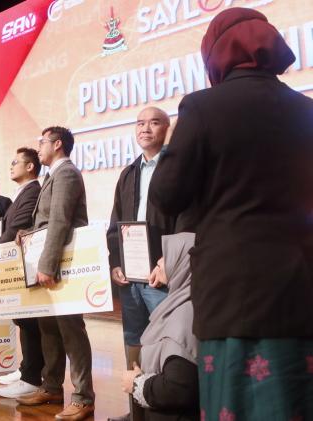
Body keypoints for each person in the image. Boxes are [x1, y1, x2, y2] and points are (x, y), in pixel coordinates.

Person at [149, 8, 313, 420]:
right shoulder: (306, 110)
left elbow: (166, 195)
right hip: (300, 290)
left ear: (215, 54)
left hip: (234, 294)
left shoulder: (202, 108)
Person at [106, 107, 183, 421]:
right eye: (140, 123)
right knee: (134, 343)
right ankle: (136, 412)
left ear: (167, 129)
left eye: (154, 122)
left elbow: (185, 220)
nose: (145, 128)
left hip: (161, 275)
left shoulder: (176, 169)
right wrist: (115, 263)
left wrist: (170, 261)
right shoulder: (128, 172)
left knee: (166, 344)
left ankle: (162, 413)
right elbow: (115, 224)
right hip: (130, 276)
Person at [16, 126, 94, 421]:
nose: (38, 147)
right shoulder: (52, 176)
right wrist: (27, 232)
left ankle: (83, 398)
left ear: (58, 144)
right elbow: (46, 221)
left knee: (71, 331)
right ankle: (51, 387)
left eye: (42, 142)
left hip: (64, 264)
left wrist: (47, 264)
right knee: (48, 327)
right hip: (50, 261)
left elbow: (60, 220)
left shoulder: (67, 173)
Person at [118, 233, 199, 421]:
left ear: (183, 265)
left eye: (167, 255)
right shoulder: (180, 304)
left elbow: (177, 388)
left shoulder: (184, 316)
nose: (159, 261)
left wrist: (137, 384)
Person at [0, 147, 44, 399]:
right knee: (22, 319)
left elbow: (18, 227)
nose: (11, 165)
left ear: (30, 167)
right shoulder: (22, 192)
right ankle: (26, 368)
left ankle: (31, 377)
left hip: (25, 263)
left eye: (16, 162)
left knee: (28, 320)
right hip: (15, 262)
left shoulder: (33, 191)